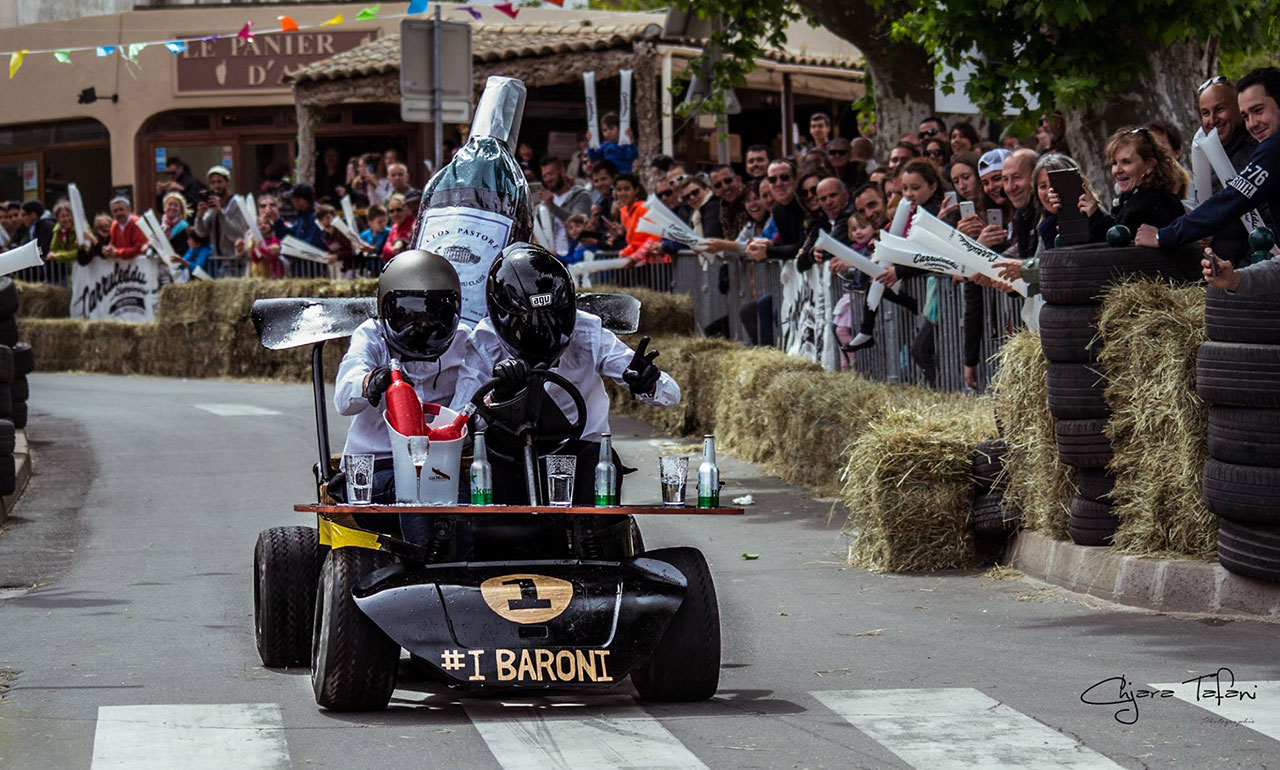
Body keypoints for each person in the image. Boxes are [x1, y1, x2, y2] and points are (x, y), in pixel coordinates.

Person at [455, 243, 680, 506]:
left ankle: (594, 532)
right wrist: (498, 399)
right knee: (484, 476)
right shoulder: (483, 343)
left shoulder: (589, 331)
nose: (541, 330)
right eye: (527, 321)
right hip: (510, 458)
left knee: (599, 463)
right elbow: (458, 429)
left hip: (581, 454)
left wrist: (648, 383)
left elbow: (671, 395)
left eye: (554, 317)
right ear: (501, 317)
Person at [332, 250, 473, 540]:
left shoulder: (465, 340)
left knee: (473, 498)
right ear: (388, 312)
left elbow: (468, 414)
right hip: (376, 468)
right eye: (410, 315)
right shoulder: (371, 335)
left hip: (443, 465)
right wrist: (370, 381)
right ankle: (424, 562)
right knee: (416, 489)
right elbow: (344, 398)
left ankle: (470, 565)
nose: (423, 325)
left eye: (435, 314)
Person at [1138, 67, 1280, 252]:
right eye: (1246, 116)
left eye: (1258, 111)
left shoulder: (1272, 148)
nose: (1252, 124)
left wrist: (1164, 235)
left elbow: (1234, 199)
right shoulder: (1209, 154)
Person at [1074, 127, 1186, 243]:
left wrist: (1095, 215)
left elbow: (1120, 246)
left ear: (1149, 165)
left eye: (1126, 162)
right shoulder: (1133, 199)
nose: (1117, 170)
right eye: (1114, 163)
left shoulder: (1150, 205)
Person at [746, 159, 806, 262]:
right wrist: (769, 243)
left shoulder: (805, 203)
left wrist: (768, 251)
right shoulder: (777, 209)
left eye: (784, 177)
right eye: (773, 179)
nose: (778, 183)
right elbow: (787, 244)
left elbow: (804, 246)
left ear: (795, 179)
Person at [193, 165, 247, 274]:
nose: (216, 186)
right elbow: (201, 233)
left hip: (234, 263)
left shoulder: (237, 203)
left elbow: (237, 234)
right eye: (213, 183)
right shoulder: (212, 205)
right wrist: (199, 216)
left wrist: (220, 213)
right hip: (217, 262)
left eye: (219, 182)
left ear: (228, 182)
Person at [538, 156, 592, 256]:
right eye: (545, 176)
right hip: (553, 257)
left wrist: (552, 207)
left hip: (576, 257)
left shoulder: (581, 195)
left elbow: (579, 222)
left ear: (562, 171)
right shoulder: (545, 204)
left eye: (551, 174)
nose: (548, 179)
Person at [710, 164, 746, 237]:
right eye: (718, 185)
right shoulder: (722, 208)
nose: (725, 187)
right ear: (714, 191)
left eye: (728, 181)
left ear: (738, 180)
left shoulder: (751, 199)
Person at [382, 193, 414, 261]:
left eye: (399, 210)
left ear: (407, 209)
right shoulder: (394, 227)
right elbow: (385, 252)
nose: (395, 214)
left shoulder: (413, 225)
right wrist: (394, 250)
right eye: (392, 211)